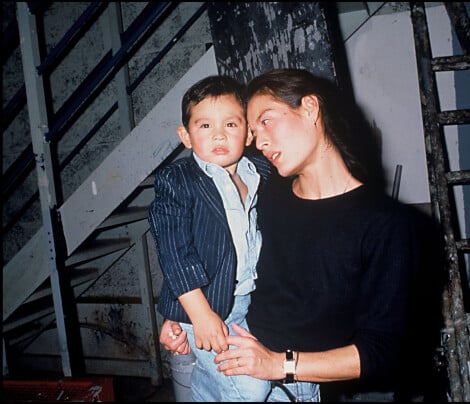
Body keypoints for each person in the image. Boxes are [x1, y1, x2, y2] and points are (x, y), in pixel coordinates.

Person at [159, 68, 418, 402]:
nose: (260, 140)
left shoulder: (387, 224)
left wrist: (278, 365)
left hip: (290, 385)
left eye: (266, 121)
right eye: (253, 130)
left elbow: (381, 351)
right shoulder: (265, 190)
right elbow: (201, 244)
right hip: (231, 356)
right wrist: (182, 313)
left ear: (309, 108)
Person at [148, 75, 272, 401]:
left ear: (248, 132)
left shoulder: (258, 172)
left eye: (231, 124)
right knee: (250, 387)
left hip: (245, 302)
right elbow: (175, 252)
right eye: (205, 126)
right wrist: (198, 316)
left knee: (216, 382)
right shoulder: (178, 180)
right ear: (186, 136)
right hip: (204, 308)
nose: (219, 134)